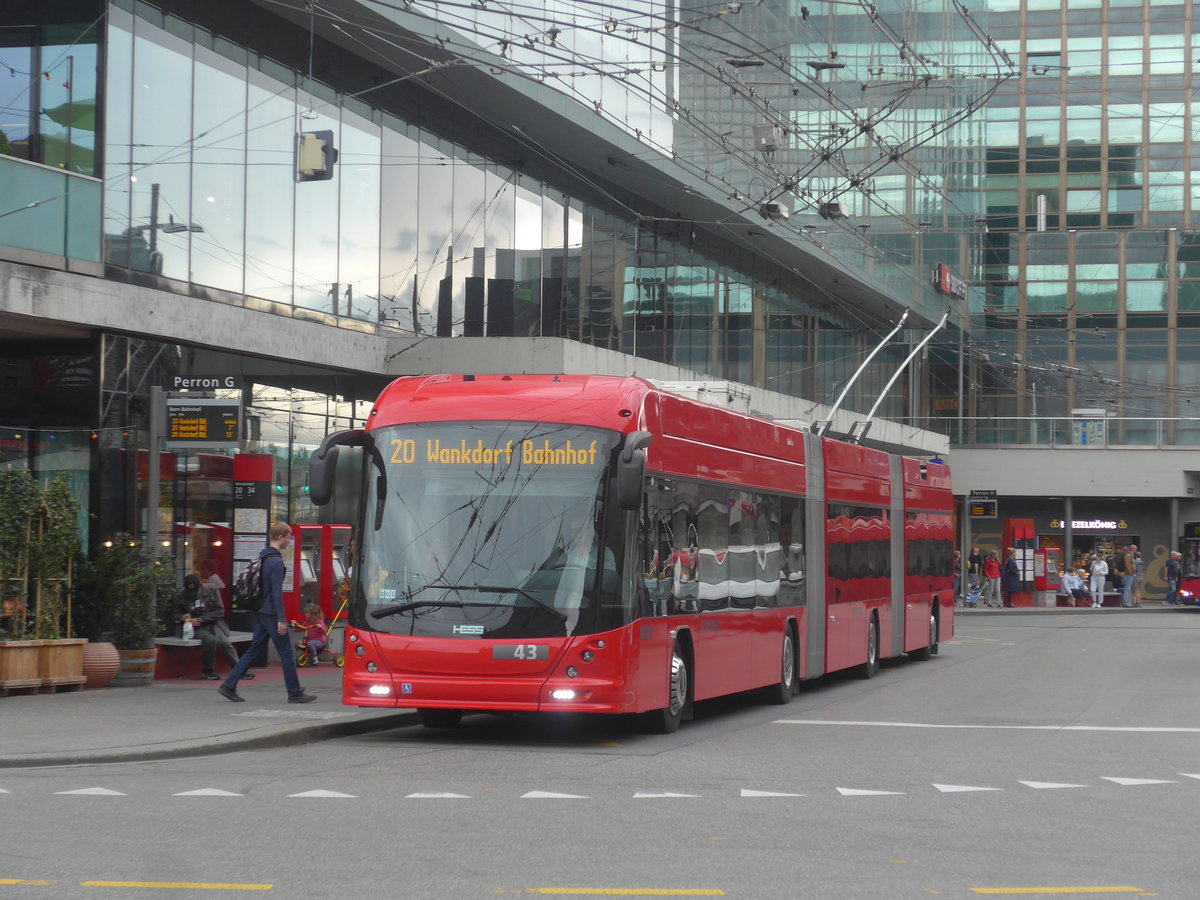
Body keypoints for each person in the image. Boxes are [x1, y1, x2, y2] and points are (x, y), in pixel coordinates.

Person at [218, 522, 316, 703]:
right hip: (271, 612)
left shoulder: (264, 557)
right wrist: (281, 619)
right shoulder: (276, 561)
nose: (289, 541)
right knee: (286, 653)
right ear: (280, 537)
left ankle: (229, 685)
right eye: (287, 537)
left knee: (254, 649)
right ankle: (294, 693)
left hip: (261, 610)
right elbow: (276, 592)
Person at [177, 574, 252, 681]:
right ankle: (208, 671)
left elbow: (219, 611)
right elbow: (176, 614)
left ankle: (239, 671)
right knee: (210, 640)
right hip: (193, 627)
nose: (193, 594)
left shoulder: (212, 589)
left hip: (213, 623)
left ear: (201, 586)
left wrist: (200, 619)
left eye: (196, 591)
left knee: (224, 642)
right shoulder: (181, 595)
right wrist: (184, 617)